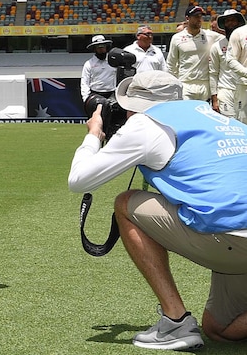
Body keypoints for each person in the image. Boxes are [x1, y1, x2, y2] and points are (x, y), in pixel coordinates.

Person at [68, 71, 247, 350]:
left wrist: (94, 135)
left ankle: (176, 321)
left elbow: (79, 180)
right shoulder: (221, 118)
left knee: (126, 204)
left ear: (135, 106)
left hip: (232, 237)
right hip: (237, 236)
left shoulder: (145, 124)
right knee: (219, 329)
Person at [166, 5, 223, 101]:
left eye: (201, 16)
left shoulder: (210, 35)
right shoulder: (177, 38)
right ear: (187, 18)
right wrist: (174, 84)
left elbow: (229, 39)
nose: (200, 19)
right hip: (185, 83)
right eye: (196, 16)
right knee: (186, 114)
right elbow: (171, 64)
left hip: (205, 84)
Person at [209, 9, 246, 118]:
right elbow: (213, 73)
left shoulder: (244, 41)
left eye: (233, 20)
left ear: (239, 22)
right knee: (229, 126)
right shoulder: (217, 46)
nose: (230, 23)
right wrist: (214, 99)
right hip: (225, 90)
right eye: (227, 21)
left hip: (243, 88)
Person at [80, 34, 117, 116]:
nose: (101, 49)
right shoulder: (89, 64)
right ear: (94, 48)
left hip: (112, 95)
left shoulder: (114, 61)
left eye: (103, 46)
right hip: (96, 95)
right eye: (98, 47)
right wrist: (86, 98)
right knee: (97, 120)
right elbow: (84, 82)